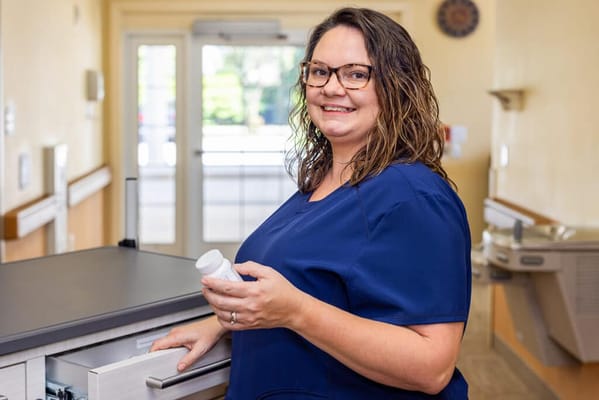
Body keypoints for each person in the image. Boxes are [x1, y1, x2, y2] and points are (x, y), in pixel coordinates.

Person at [151, 7, 472, 399]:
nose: (332, 87)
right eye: (319, 71)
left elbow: (432, 365)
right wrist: (224, 324)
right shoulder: (323, 182)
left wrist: (295, 311)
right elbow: (321, 287)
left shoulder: (413, 195)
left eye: (356, 74)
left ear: (396, 86)